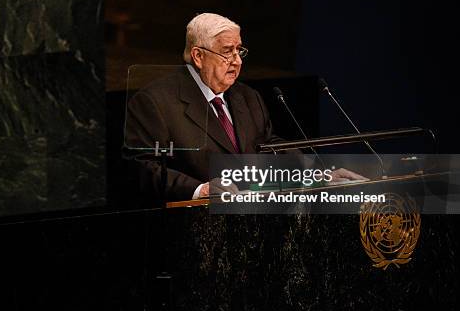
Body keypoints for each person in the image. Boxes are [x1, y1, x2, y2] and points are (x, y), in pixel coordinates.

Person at [125, 13, 362, 201]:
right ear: (198, 56)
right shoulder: (155, 102)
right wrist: (200, 190)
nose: (237, 60)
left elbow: (270, 148)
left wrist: (317, 175)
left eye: (239, 51)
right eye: (227, 51)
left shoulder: (248, 97)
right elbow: (143, 168)